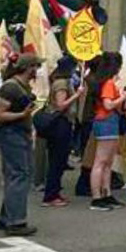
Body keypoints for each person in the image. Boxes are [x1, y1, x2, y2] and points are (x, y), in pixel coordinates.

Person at [0, 54, 43, 236]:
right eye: (36, 66)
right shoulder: (12, 87)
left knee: (19, 174)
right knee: (19, 175)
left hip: (18, 134)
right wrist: (22, 115)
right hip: (12, 134)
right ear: (29, 68)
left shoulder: (18, 86)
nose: (37, 70)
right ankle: (16, 222)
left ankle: (6, 217)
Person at [88, 52, 126, 211]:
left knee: (107, 162)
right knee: (101, 161)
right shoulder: (108, 83)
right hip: (106, 121)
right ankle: (96, 197)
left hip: (109, 121)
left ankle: (106, 194)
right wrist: (123, 97)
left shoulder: (107, 82)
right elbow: (108, 105)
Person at [41, 56, 84, 207]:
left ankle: (54, 192)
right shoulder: (61, 83)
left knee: (58, 160)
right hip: (60, 124)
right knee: (57, 161)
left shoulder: (62, 81)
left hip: (64, 123)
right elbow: (60, 105)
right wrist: (76, 96)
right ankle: (51, 194)